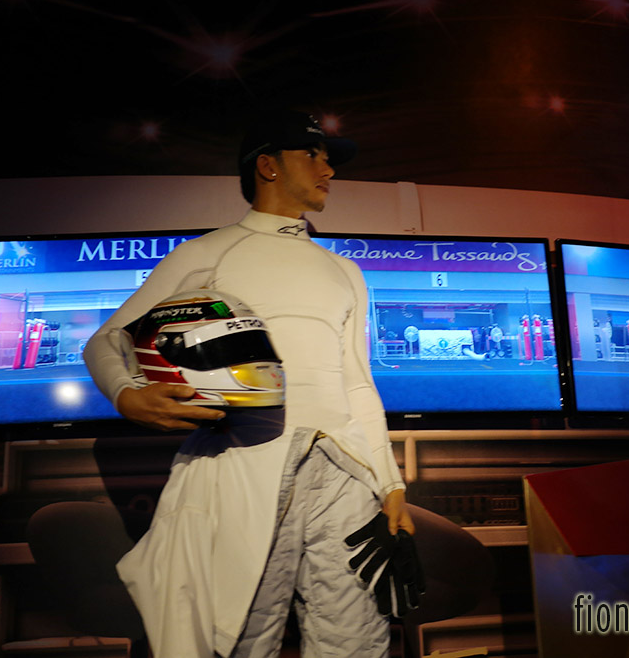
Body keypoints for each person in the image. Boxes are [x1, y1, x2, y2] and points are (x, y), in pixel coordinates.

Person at [83, 110, 413, 657]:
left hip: (345, 473)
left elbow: (357, 383)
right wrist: (128, 395)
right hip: (243, 464)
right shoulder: (207, 253)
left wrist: (390, 483)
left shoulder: (345, 272)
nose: (328, 168)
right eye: (313, 154)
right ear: (268, 165)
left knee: (355, 642)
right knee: (237, 637)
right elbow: (104, 341)